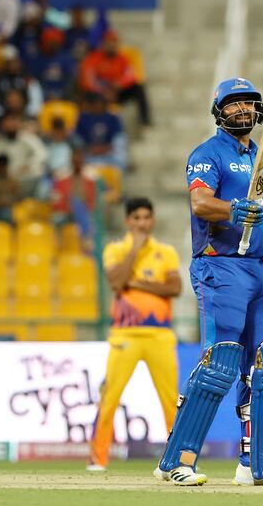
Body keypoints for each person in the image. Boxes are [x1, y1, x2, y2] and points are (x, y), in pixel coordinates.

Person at [154, 78, 263, 487]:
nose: (243, 110)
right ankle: (176, 461)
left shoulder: (258, 153)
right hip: (219, 267)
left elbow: (257, 210)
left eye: (249, 104)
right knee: (221, 365)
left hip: (257, 268)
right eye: (234, 104)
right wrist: (234, 210)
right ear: (219, 111)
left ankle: (257, 466)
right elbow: (201, 203)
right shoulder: (207, 154)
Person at [87, 197, 182, 471]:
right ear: (128, 221)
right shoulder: (115, 250)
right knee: (110, 396)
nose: (142, 223)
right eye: (137, 218)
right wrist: (135, 250)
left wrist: (137, 283)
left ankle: (178, 461)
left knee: (170, 400)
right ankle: (98, 459)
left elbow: (174, 288)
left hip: (160, 336)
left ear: (152, 220)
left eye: (146, 217)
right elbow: (116, 283)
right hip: (125, 336)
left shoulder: (166, 252)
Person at [78, 29, 151, 126]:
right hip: (98, 93)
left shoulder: (122, 59)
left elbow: (131, 75)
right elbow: (87, 81)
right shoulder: (93, 58)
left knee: (138, 88)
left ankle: (144, 121)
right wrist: (103, 90)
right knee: (86, 95)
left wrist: (118, 85)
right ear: (103, 43)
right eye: (109, 42)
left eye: (114, 42)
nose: (112, 45)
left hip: (116, 93)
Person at [0, 113, 47, 198]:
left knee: (41, 176)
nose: (11, 124)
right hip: (5, 183)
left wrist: (28, 165)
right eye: (8, 121)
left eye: (14, 120)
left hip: (26, 180)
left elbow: (41, 155)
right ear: (2, 124)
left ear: (20, 123)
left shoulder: (29, 139)